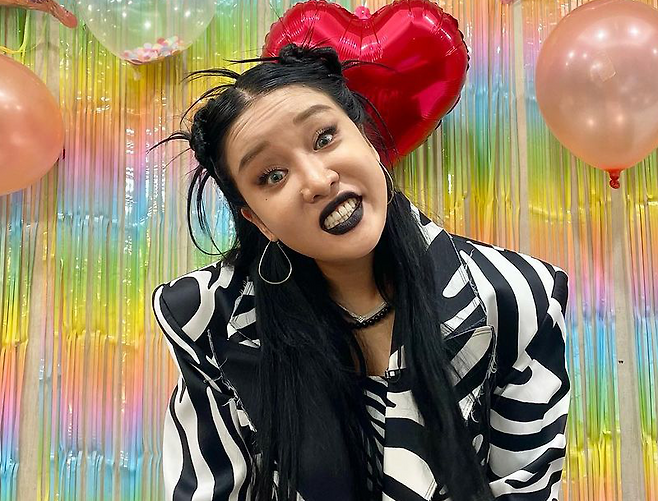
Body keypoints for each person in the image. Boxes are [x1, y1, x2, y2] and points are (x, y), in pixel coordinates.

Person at [151, 43, 570, 501]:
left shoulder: (517, 296)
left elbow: (524, 486)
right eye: (272, 175)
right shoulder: (208, 318)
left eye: (324, 138)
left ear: (367, 140)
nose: (317, 181)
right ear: (258, 220)